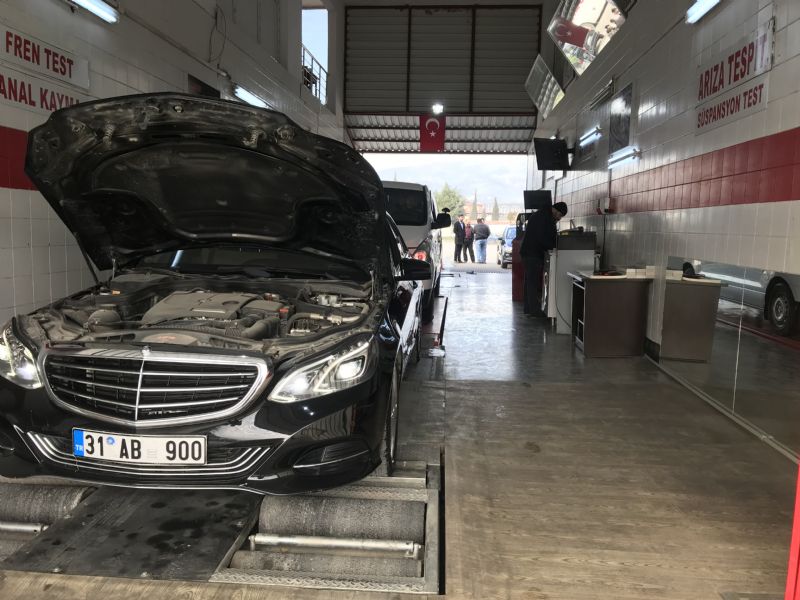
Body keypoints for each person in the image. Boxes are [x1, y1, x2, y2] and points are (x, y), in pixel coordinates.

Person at [520, 202, 568, 316]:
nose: (559, 218)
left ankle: (529, 308)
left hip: (529, 252)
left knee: (529, 282)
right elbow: (542, 238)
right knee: (532, 282)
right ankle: (534, 310)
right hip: (532, 254)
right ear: (555, 210)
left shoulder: (543, 214)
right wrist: (554, 246)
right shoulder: (544, 217)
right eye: (560, 215)